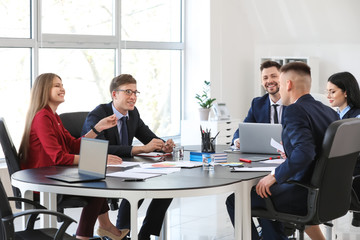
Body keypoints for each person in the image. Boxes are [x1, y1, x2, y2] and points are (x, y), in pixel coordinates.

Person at [226, 62, 339, 239]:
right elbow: (317, 148)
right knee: (266, 191)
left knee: (236, 200)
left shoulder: (295, 110)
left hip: (303, 192)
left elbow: (305, 153)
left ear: (288, 84)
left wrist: (274, 176)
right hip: (327, 192)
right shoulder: (328, 111)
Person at [18, 73, 129, 240]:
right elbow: (59, 157)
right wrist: (99, 160)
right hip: (42, 179)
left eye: (62, 85)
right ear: (43, 90)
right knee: (96, 185)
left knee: (97, 179)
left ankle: (104, 226)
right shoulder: (42, 117)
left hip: (52, 173)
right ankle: (85, 235)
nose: (62, 88)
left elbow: (73, 146)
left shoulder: (52, 116)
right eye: (57, 85)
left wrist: (97, 128)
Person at [82, 74, 174, 240]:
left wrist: (162, 145)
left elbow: (148, 136)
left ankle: (145, 234)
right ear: (114, 94)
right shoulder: (98, 115)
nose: (133, 97)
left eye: (135, 92)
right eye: (128, 92)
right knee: (136, 186)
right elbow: (100, 149)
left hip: (126, 168)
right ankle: (122, 232)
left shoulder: (133, 114)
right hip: (102, 170)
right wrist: (139, 149)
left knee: (168, 187)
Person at [326, 71, 360, 227]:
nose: (328, 96)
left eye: (332, 92)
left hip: (352, 169)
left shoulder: (356, 118)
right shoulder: (334, 115)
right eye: (328, 92)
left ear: (346, 92)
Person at [232, 60, 284, 149]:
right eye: (265, 78)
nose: (269, 81)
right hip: (264, 154)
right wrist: (237, 140)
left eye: (274, 76)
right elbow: (244, 128)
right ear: (261, 82)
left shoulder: (294, 103)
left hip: (289, 155)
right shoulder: (257, 104)